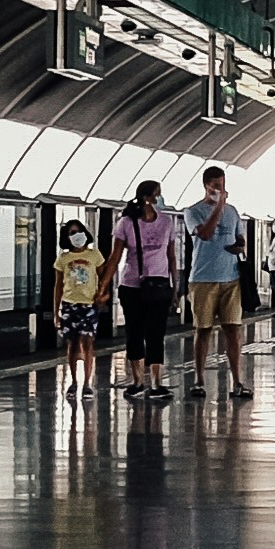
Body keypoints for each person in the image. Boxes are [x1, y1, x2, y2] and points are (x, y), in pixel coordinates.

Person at [110, 178, 188, 403]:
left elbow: (171, 256)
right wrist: (104, 286)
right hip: (132, 286)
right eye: (157, 194)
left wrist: (175, 286)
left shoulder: (166, 222)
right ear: (146, 198)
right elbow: (115, 257)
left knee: (156, 334)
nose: (159, 198)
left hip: (159, 286)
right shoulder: (126, 223)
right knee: (134, 333)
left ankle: (156, 383)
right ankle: (137, 381)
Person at [180, 165, 251, 396]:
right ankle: (199, 380)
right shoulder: (192, 212)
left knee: (233, 330)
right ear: (206, 186)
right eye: (216, 186)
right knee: (203, 330)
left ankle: (237, 382)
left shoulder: (233, 211)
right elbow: (205, 234)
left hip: (231, 278)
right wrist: (218, 206)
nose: (220, 190)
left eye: (222, 185)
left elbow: (240, 237)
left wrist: (240, 245)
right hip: (203, 279)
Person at [50, 211, 108, 383]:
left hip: (89, 304)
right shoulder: (63, 259)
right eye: (72, 233)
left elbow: (104, 279)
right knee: (73, 343)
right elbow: (58, 286)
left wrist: (103, 295)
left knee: (88, 342)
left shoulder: (94, 255)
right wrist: (56, 312)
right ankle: (74, 381)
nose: (76, 235)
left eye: (79, 231)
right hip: (70, 305)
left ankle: (87, 382)